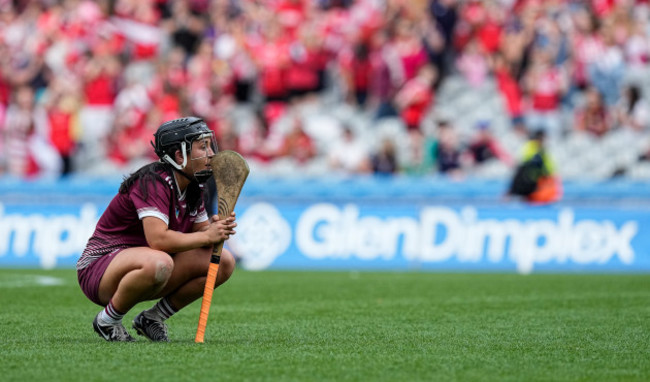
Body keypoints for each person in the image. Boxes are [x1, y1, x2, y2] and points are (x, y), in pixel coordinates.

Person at [76, 116, 237, 342]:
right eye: (203, 147)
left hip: (149, 265)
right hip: (99, 267)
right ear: (180, 155)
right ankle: (107, 321)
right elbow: (158, 240)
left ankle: (152, 318)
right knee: (160, 262)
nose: (211, 153)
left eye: (210, 146)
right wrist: (206, 235)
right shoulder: (153, 181)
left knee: (223, 261)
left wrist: (216, 230)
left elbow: (201, 235)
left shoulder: (195, 185)